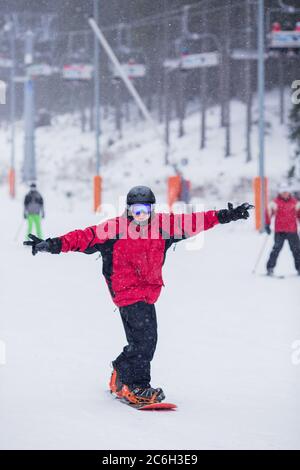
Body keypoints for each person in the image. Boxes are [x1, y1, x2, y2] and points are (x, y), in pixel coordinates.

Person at [24, 186, 253, 405]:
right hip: (126, 291)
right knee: (146, 340)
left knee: (142, 341)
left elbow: (193, 221)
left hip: (147, 292)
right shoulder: (114, 229)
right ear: (128, 209)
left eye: (146, 210)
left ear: (153, 209)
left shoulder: (164, 226)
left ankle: (121, 374)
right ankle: (137, 386)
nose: (141, 216)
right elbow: (83, 237)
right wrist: (52, 244)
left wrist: (225, 215)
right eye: (136, 211)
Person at [266, 183, 300, 276]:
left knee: (297, 250)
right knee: (276, 249)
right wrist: (267, 224)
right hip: (279, 231)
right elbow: (268, 213)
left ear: (289, 193)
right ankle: (270, 268)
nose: (285, 194)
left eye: (286, 192)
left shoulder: (295, 202)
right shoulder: (275, 202)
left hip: (292, 231)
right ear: (280, 193)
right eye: (283, 192)